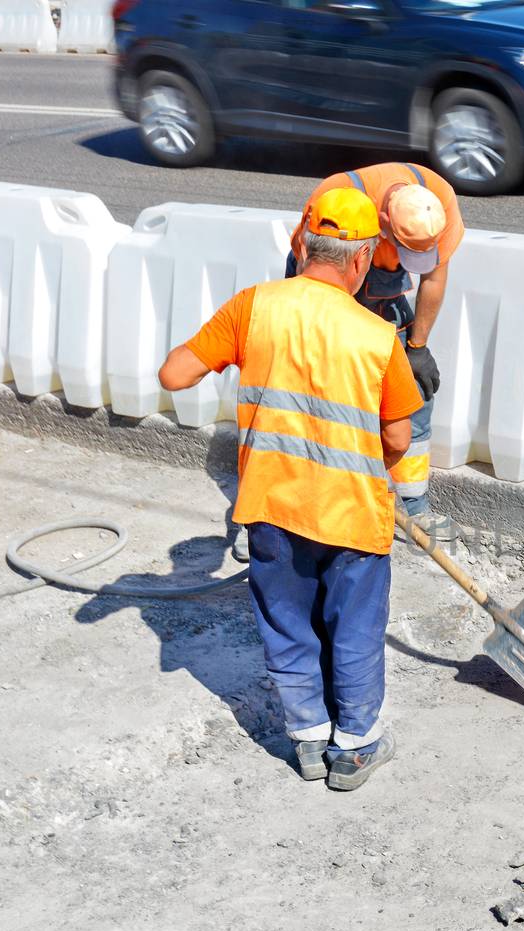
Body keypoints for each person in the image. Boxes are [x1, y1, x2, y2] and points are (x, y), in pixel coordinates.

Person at [157, 186, 423, 792]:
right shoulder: (377, 337)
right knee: (354, 630)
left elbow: (175, 373)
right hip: (353, 515)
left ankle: (306, 740)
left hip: (271, 509)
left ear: (299, 243)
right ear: (361, 261)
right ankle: (353, 750)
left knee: (287, 625)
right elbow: (401, 438)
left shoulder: (253, 308)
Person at [291, 162, 465, 521]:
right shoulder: (338, 197)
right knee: (321, 396)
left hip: (381, 295)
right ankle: (289, 507)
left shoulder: (439, 198)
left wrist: (416, 348)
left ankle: (412, 507)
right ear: (383, 221)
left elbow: (433, 277)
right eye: (404, 250)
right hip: (326, 292)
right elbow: (308, 275)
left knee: (412, 393)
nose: (410, 263)